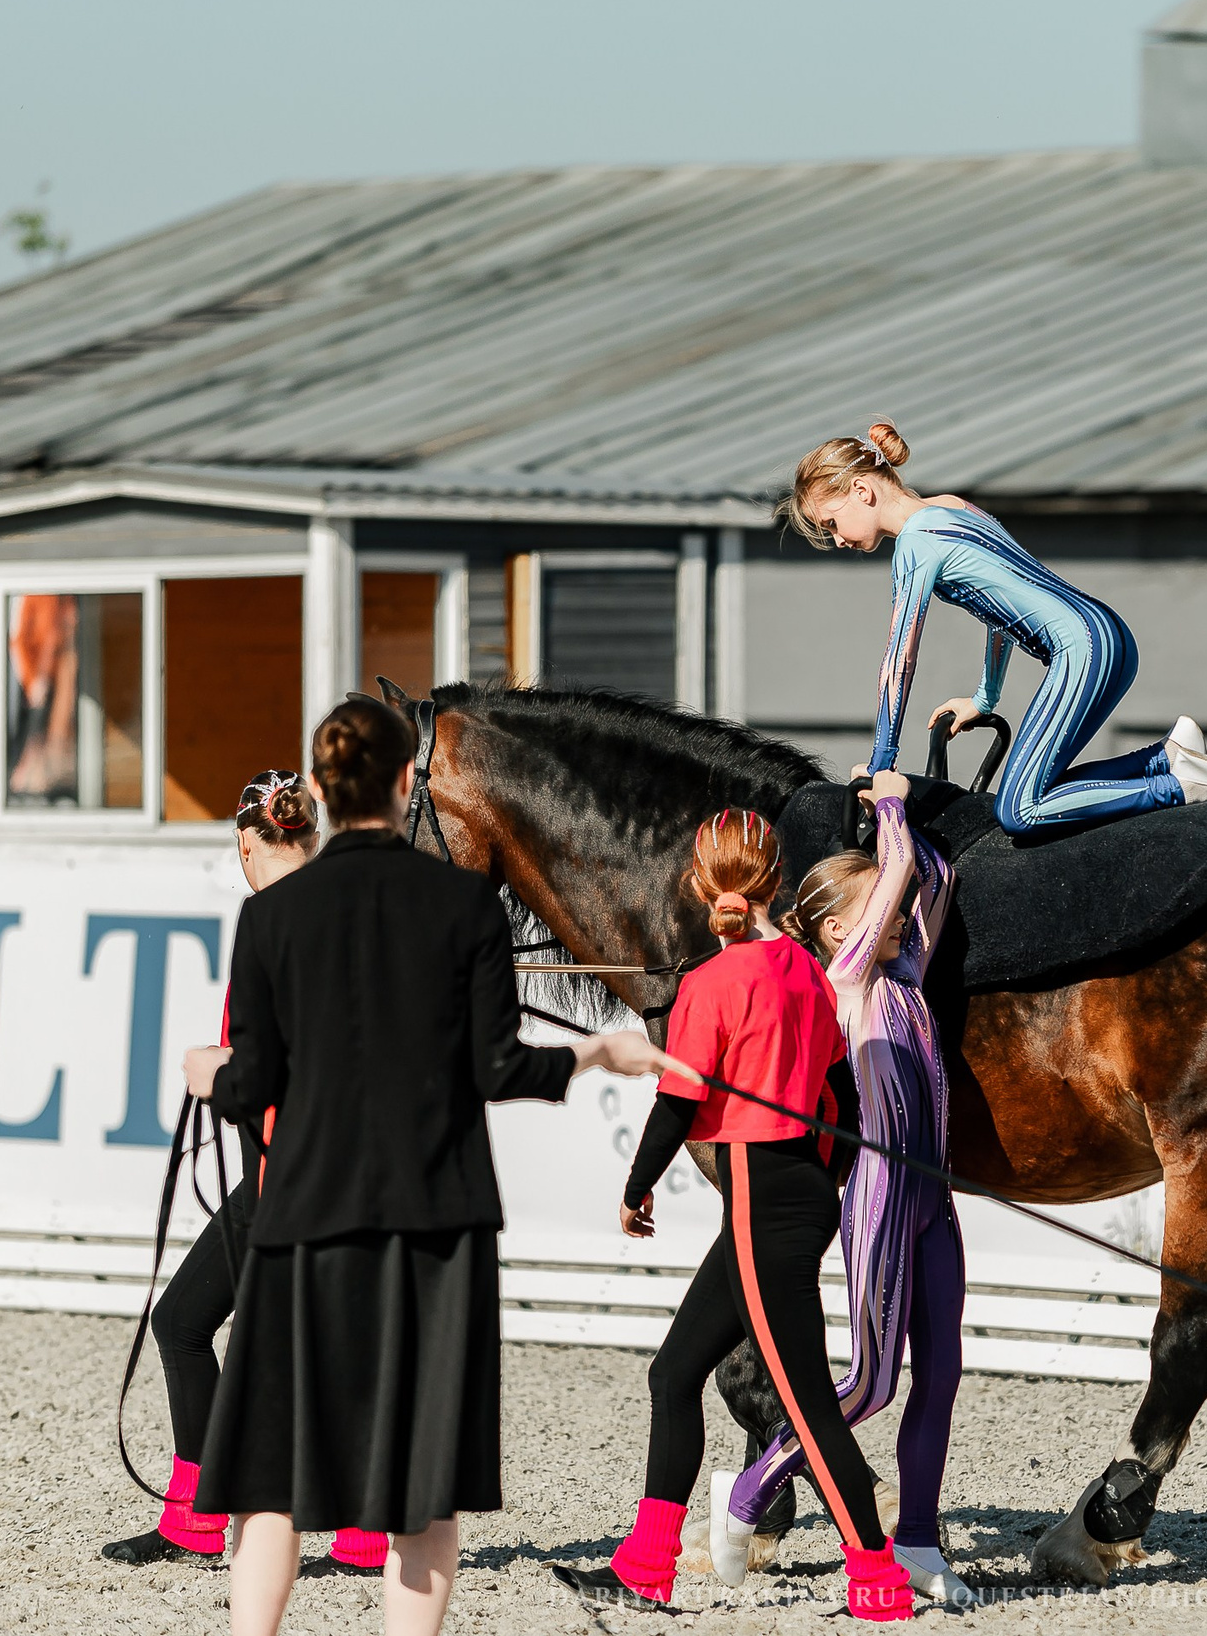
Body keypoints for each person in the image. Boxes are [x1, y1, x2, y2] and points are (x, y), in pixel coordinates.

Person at [183, 700, 679, 1636]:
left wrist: (204, 1073)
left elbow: (254, 1085)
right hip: (438, 1227)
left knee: (272, 1477)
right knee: (425, 1487)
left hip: (303, 1220)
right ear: (408, 782)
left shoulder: (272, 916)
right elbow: (499, 1068)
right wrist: (599, 1053)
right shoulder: (463, 906)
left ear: (325, 796)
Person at [554, 809, 913, 1623]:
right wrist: (826, 1179)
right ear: (774, 883)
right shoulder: (804, 969)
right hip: (797, 1187)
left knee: (806, 1400)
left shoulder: (708, 986)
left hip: (759, 1192)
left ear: (696, 883)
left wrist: (636, 1186)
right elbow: (843, 1099)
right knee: (674, 1372)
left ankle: (878, 1578)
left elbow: (679, 1103)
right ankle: (645, 1564)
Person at [102, 772, 388, 1574]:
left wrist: (214, 1070)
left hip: (297, 1167)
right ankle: (343, 1531)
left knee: (190, 1324)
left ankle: (205, 1519)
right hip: (339, 1164)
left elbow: (278, 1065)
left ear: (248, 843)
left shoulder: (272, 922)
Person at [710, 769, 972, 1606]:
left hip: (934, 1200)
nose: (898, 916)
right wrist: (888, 807)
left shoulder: (907, 970)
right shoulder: (847, 979)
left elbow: (935, 874)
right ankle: (747, 1492)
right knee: (868, 1384)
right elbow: (897, 871)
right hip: (879, 1199)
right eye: (877, 911)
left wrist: (908, 789)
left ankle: (922, 1537)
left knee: (941, 1373)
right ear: (833, 929)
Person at [779, 419, 1207, 835]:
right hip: (1109, 636)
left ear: (862, 491)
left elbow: (898, 661)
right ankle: (1167, 757)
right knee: (1044, 786)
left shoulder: (914, 543)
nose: (837, 540)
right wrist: (985, 699)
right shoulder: (951, 506)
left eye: (831, 523)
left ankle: (1176, 787)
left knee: (1020, 811)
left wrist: (882, 763)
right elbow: (1000, 614)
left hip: (1081, 650)